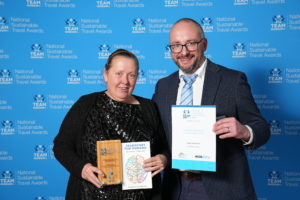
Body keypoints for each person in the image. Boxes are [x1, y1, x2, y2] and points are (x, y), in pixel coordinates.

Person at [152, 18, 270, 200]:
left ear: (204, 44)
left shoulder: (232, 81)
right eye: (176, 45)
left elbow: (262, 128)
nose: (183, 52)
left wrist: (245, 131)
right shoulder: (163, 86)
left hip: (223, 188)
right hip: (175, 188)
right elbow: (157, 136)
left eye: (190, 44)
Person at [53, 49, 169, 200]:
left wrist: (164, 158)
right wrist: (81, 168)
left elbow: (165, 147)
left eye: (131, 75)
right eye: (119, 73)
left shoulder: (148, 107)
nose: (125, 81)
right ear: (106, 74)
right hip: (89, 195)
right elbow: (61, 146)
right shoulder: (86, 104)